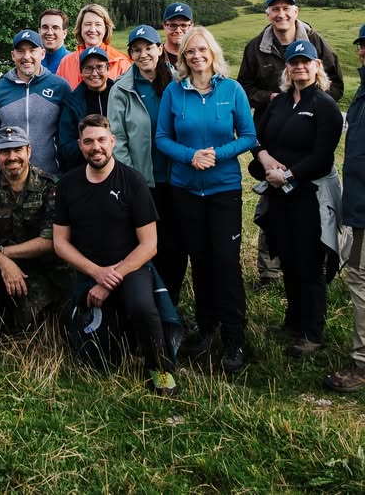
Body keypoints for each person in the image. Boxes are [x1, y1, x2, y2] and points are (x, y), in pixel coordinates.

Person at [156, 26, 256, 374]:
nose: (196, 56)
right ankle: (207, 327)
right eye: (190, 51)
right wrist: (190, 157)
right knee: (199, 261)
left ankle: (234, 338)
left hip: (223, 190)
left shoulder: (232, 90)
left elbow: (248, 136)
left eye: (202, 50)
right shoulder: (174, 92)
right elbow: (162, 138)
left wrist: (216, 154)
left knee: (226, 263)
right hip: (185, 190)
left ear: (213, 52)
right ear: (182, 57)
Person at [54, 115, 178, 395]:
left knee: (142, 307)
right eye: (88, 142)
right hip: (89, 270)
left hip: (131, 266)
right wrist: (96, 273)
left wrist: (110, 279)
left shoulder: (133, 181)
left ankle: (160, 369)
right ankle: (122, 342)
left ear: (112, 141)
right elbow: (60, 243)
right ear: (80, 145)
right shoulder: (68, 185)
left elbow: (149, 245)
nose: (95, 147)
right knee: (100, 361)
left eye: (101, 140)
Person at [237, 0, 344, 291]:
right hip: (272, 137)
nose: (281, 14)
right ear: (268, 13)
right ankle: (269, 274)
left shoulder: (315, 42)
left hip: (307, 144)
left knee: (309, 212)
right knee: (271, 207)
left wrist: (313, 103)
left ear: (296, 11)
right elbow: (243, 87)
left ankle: (315, 269)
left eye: (287, 8)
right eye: (275, 9)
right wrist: (271, 99)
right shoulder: (256, 47)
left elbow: (336, 83)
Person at [252, 40, 343, 357]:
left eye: (306, 61)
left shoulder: (324, 105)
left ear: (317, 66)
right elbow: (257, 138)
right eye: (294, 62)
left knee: (309, 262)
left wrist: (289, 175)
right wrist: (264, 159)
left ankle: (312, 332)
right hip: (280, 196)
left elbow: (322, 157)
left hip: (309, 195)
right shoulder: (279, 103)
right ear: (287, 68)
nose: (300, 66)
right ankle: (293, 321)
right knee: (287, 256)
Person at [0, 126, 72, 340]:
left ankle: (47, 316)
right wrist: (3, 263)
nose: (12, 157)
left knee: (32, 319)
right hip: (3, 265)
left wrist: (2, 253)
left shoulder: (49, 185)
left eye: (17, 150)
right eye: (5, 151)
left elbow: (50, 240)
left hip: (40, 264)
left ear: (28, 151)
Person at [108, 25, 187, 306]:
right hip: (142, 181)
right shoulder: (122, 88)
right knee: (144, 243)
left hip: (178, 177)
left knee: (175, 243)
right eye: (136, 50)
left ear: (160, 49)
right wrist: (133, 179)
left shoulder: (179, 82)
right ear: (130, 54)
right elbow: (117, 139)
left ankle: (172, 303)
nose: (143, 54)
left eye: (148, 48)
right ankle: (149, 302)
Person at [325, 24, 365, 391]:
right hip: (359, 202)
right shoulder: (363, 90)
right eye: (363, 45)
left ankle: (362, 364)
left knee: (361, 279)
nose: (364, 51)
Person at [0, 30, 71, 179]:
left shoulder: (60, 87)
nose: (26, 56)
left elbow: (69, 137)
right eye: (20, 51)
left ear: (42, 53)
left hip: (51, 178)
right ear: (13, 55)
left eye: (32, 50)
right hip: (8, 180)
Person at [58, 46, 114, 170]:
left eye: (100, 67)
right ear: (81, 72)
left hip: (118, 166)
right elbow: (66, 145)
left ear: (108, 69)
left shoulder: (120, 96)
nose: (94, 73)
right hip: (84, 168)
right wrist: (92, 148)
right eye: (88, 68)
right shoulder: (71, 102)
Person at [56, 4, 131, 88]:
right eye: (87, 24)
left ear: (106, 28)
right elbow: (58, 93)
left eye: (98, 24)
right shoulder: (66, 62)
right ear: (80, 28)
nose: (92, 29)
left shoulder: (121, 62)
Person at [161, 3, 194, 68]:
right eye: (173, 25)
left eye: (184, 25)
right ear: (164, 26)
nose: (178, 30)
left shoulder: (198, 56)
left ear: (191, 27)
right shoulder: (155, 55)